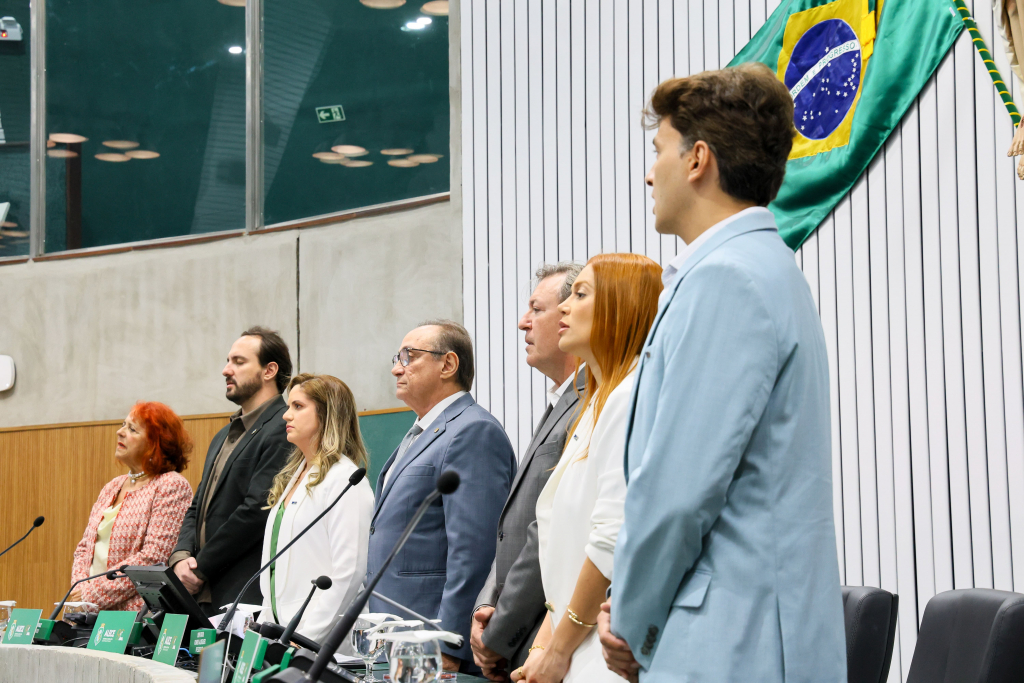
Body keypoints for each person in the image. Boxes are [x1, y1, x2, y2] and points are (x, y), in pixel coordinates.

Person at [598, 64, 847, 682]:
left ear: (697, 159)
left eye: (658, 151)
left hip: (733, 644)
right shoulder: (761, 266)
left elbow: (676, 491)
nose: (648, 171)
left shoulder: (726, 278)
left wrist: (632, 618)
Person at [511, 253, 662, 683]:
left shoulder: (632, 397)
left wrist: (557, 651)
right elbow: (568, 553)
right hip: (574, 649)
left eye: (579, 294)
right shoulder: (596, 404)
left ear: (621, 306)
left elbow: (608, 542)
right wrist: (543, 645)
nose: (562, 307)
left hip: (602, 657)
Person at [367, 319, 516, 674]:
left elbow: (475, 553)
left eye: (409, 356)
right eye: (396, 357)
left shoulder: (472, 431)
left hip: (436, 646)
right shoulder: (420, 432)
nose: (395, 368)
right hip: (400, 638)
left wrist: (449, 641)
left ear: (448, 364)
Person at [472, 262, 585, 680]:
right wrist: (487, 605)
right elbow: (510, 528)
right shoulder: (562, 402)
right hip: (518, 634)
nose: (523, 323)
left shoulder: (594, 400)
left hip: (548, 640)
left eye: (536, 309)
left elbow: (550, 531)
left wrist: (498, 632)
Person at [169, 327, 293, 615]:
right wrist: (181, 557)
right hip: (202, 591)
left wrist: (201, 567)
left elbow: (256, 510)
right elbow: (197, 507)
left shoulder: (283, 428)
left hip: (241, 592)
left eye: (239, 362)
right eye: (228, 361)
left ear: (269, 370)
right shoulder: (223, 435)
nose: (226, 370)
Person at [257, 374, 374, 644]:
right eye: (288, 406)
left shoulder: (346, 480)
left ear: (326, 414)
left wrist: (304, 639)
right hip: (281, 635)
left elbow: (350, 573)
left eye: (298, 407)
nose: (286, 416)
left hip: (321, 641)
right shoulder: (294, 476)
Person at [70, 402, 193, 611]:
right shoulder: (112, 486)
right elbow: (84, 549)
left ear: (156, 443)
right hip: (87, 614)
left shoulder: (171, 485)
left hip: (134, 617)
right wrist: (78, 590)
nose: (120, 432)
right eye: (123, 425)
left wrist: (90, 596)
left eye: (132, 429)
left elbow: (154, 558)